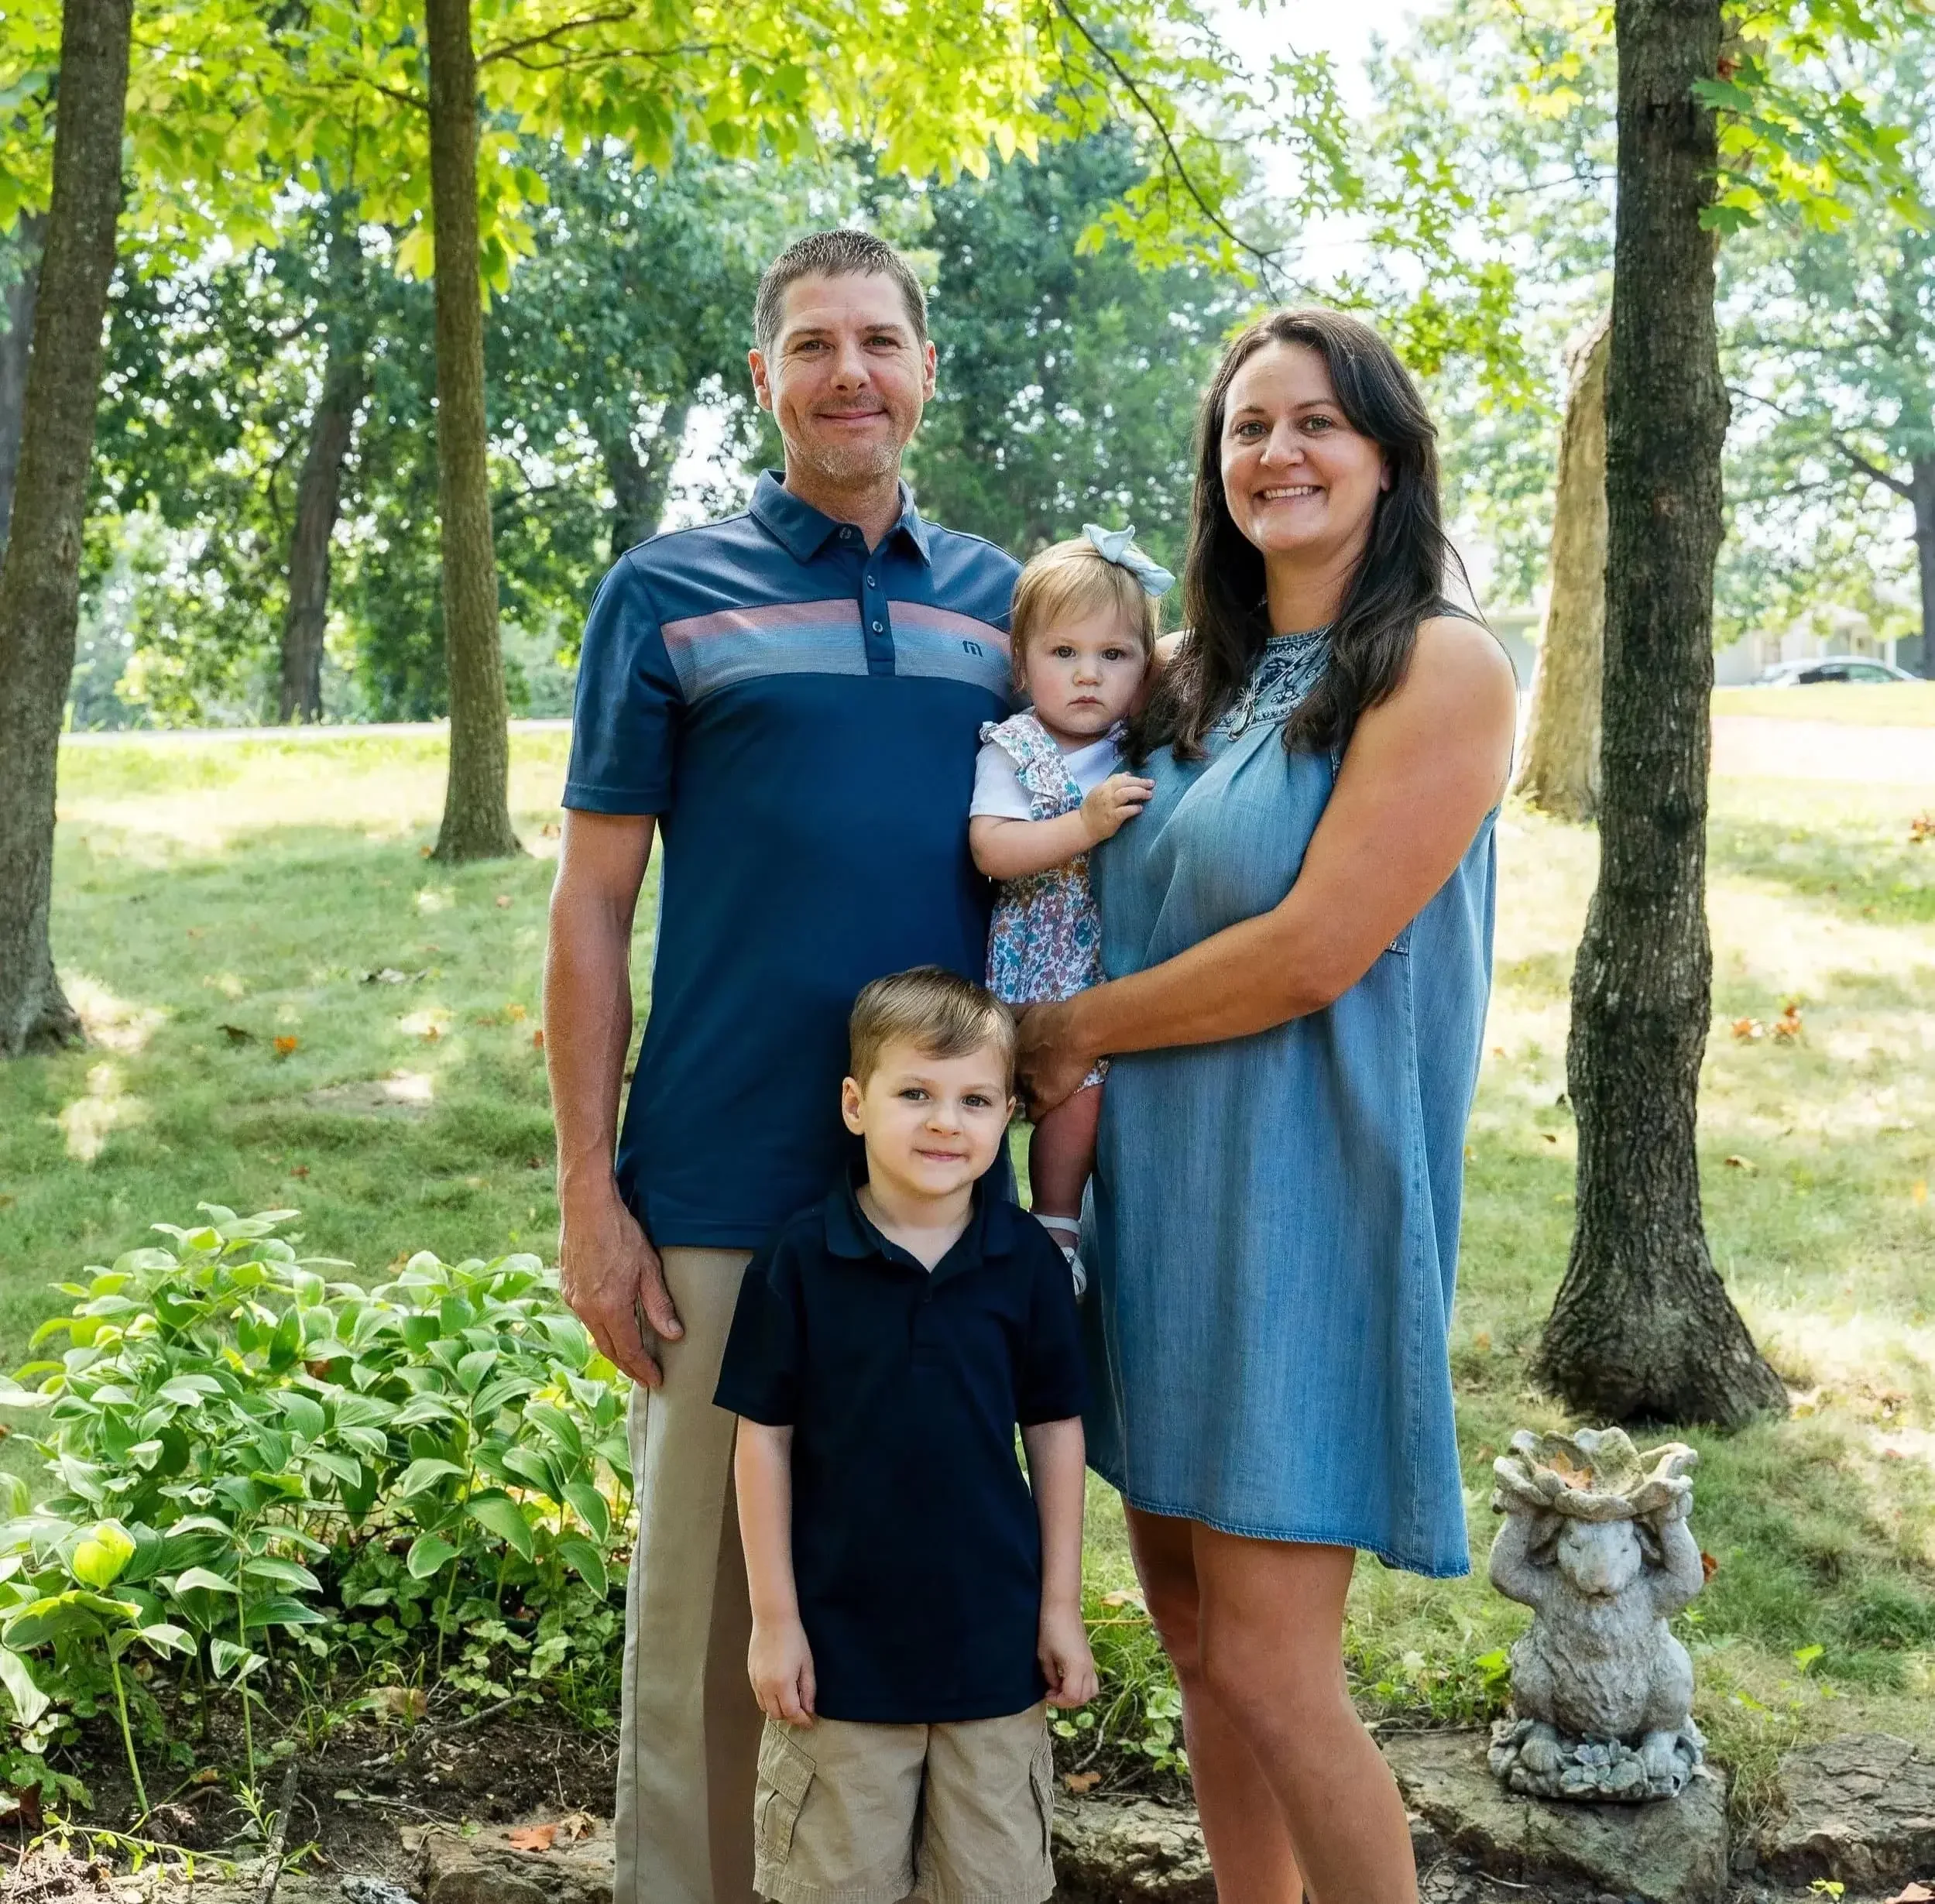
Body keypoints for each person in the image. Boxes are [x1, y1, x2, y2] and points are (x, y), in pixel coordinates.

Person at [1014, 307, 1518, 1904]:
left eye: (1315, 423)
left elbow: (1308, 952)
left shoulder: (1439, 665)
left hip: (1307, 1199)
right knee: (1191, 1637)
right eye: (1245, 427)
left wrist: (1069, 1028)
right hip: (1156, 1202)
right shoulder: (1183, 681)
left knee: (1275, 1660)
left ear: (1386, 457)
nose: (1276, 453)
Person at [544, 230, 1021, 1904]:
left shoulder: (1002, 610)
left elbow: (1063, 877)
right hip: (725, 1175)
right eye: (811, 344)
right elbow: (595, 902)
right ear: (766, 378)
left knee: (923, 1578)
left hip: (948, 1189)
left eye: (879, 340)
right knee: (698, 1618)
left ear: (923, 369)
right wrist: (589, 1188)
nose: (849, 373)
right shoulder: (664, 595)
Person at [715, 966, 1096, 1904]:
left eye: (973, 1099)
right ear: (856, 1103)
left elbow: (1055, 1433)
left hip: (995, 1660)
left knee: (996, 1887)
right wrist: (775, 1621)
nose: (943, 1121)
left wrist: (1060, 1606)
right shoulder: (799, 1260)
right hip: (839, 1666)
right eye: (915, 1093)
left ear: (1007, 1113)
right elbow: (761, 1439)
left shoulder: (1025, 1267)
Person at [968, 527, 1165, 1287]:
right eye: (1065, 653)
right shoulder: (1014, 747)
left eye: (1114, 655)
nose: (1089, 675)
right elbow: (992, 847)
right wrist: (1084, 824)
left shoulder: (1133, 743)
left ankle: (1056, 1229)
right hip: (1035, 959)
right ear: (1022, 664)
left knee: (1082, 1097)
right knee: (1012, 1084)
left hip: (1107, 960)